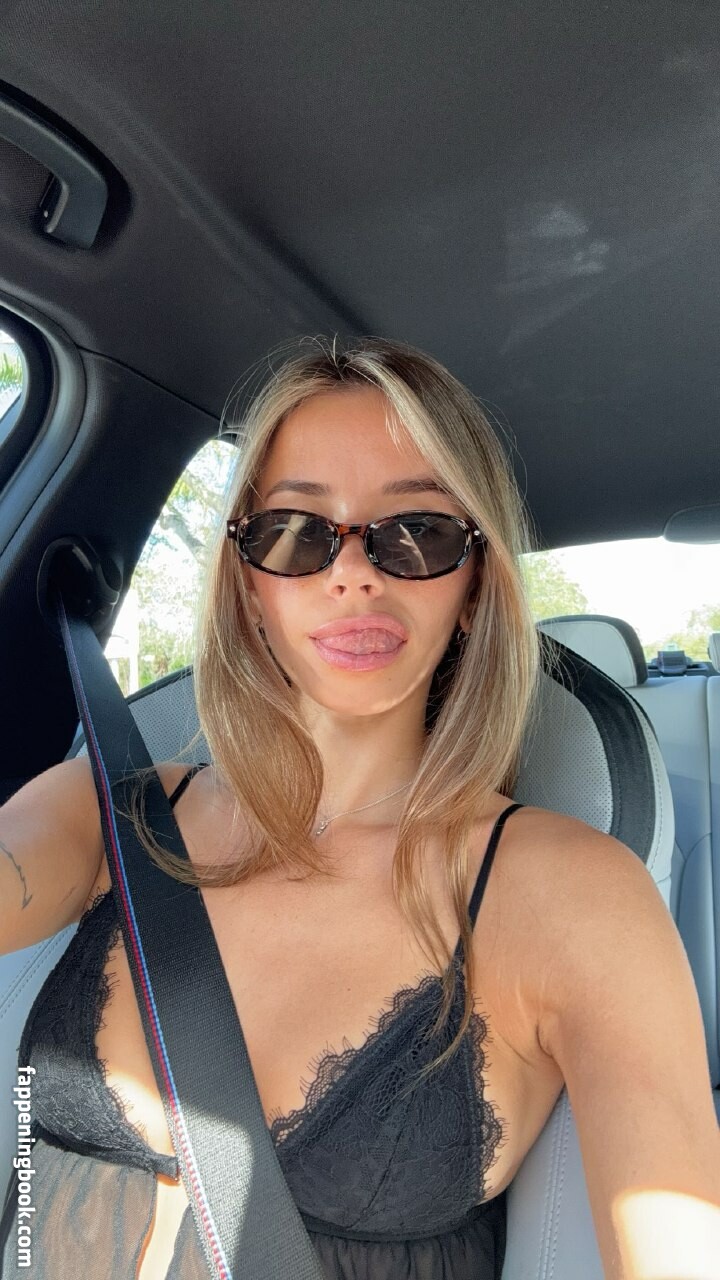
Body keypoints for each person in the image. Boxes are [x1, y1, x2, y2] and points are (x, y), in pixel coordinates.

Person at [1, 335, 718, 1280]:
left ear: (474, 585)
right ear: (248, 583)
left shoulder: (579, 897)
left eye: (417, 531)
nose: (352, 574)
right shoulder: (106, 810)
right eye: (296, 532)